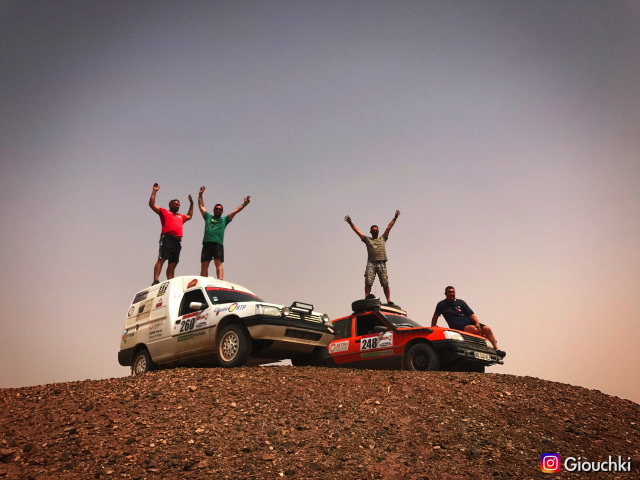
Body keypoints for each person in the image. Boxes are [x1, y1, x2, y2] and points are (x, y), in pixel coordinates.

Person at [431, 286, 506, 357]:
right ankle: (485, 347)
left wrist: (477, 323)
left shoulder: (461, 302)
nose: (451, 294)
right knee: (474, 329)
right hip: (458, 326)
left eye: (453, 292)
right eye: (449, 292)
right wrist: (433, 326)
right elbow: (435, 316)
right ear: (445, 293)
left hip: (469, 323)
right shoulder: (441, 304)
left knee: (487, 329)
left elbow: (471, 314)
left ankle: (497, 350)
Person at [344, 210, 400, 304]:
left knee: (385, 283)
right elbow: (358, 231)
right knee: (368, 282)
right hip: (371, 263)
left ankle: (388, 300)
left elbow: (389, 227)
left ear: (378, 231)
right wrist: (350, 222)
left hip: (381, 263)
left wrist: (395, 217)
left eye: (376, 230)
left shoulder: (383, 238)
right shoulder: (367, 240)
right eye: (373, 230)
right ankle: (367, 297)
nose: (375, 231)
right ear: (370, 232)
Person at [198, 186, 250, 280]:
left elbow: (235, 211)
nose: (218, 210)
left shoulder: (224, 220)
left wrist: (244, 204)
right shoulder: (208, 217)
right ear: (214, 210)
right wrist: (200, 194)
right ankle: (203, 281)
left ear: (222, 211)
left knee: (218, 262)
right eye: (216, 209)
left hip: (218, 244)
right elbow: (201, 206)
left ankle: (220, 280)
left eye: (220, 209)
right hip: (207, 243)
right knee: (204, 264)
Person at [149, 183, 193, 285]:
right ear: (171, 205)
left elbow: (190, 216)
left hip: (177, 241)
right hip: (167, 238)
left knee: (173, 263)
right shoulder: (164, 212)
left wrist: (191, 203)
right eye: (176, 204)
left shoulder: (180, 216)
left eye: (179, 205)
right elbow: (151, 204)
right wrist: (154, 191)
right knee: (162, 258)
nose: (178, 206)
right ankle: (155, 280)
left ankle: (170, 281)